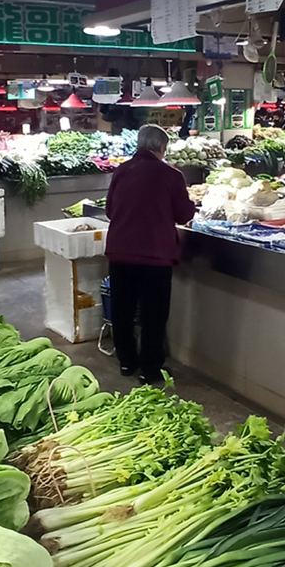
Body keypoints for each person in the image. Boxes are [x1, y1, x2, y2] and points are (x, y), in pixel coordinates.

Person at [104, 125, 196, 385]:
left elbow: (110, 210)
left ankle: (126, 362)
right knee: (153, 315)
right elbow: (184, 214)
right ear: (162, 147)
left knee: (122, 310)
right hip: (155, 255)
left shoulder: (121, 171)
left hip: (121, 252)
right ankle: (150, 369)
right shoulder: (171, 174)